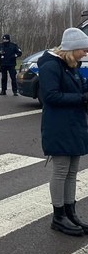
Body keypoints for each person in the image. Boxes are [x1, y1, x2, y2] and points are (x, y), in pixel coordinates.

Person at [38, 28, 88, 236]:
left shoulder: (71, 65)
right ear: (72, 48)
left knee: (71, 172)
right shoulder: (51, 66)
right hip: (58, 126)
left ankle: (70, 212)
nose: (86, 53)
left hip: (74, 124)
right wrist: (82, 98)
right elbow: (51, 96)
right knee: (60, 171)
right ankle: (58, 217)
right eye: (83, 49)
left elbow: (77, 90)